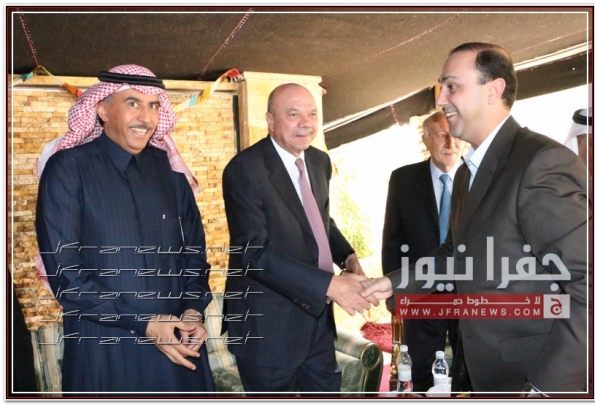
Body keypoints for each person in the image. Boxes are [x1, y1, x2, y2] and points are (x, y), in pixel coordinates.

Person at [363, 43, 589, 395]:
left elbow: (588, 283)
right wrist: (392, 283)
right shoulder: (467, 173)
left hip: (531, 379)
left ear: (493, 90)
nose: (441, 99)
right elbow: (456, 255)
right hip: (485, 376)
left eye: (452, 86)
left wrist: (546, 389)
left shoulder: (540, 163)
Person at [35, 64, 215, 395]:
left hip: (179, 346)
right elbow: (66, 277)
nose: (146, 118)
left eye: (153, 105)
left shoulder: (170, 171)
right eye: (133, 103)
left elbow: (194, 255)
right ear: (102, 110)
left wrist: (192, 311)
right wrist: (145, 323)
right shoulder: (68, 169)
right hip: (105, 348)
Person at [221, 83, 377, 395]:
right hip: (266, 327)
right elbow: (252, 253)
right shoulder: (244, 169)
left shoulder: (319, 162)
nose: (305, 123)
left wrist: (346, 256)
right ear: (270, 120)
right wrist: (330, 285)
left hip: (317, 321)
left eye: (312, 114)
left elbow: (319, 219)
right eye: (293, 114)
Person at [381, 110, 462, 392]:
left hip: (470, 295)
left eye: (454, 134)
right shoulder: (403, 180)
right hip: (421, 295)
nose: (450, 142)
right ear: (426, 140)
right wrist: (396, 293)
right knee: (422, 375)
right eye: (441, 135)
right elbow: (392, 242)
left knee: (469, 376)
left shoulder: (479, 177)